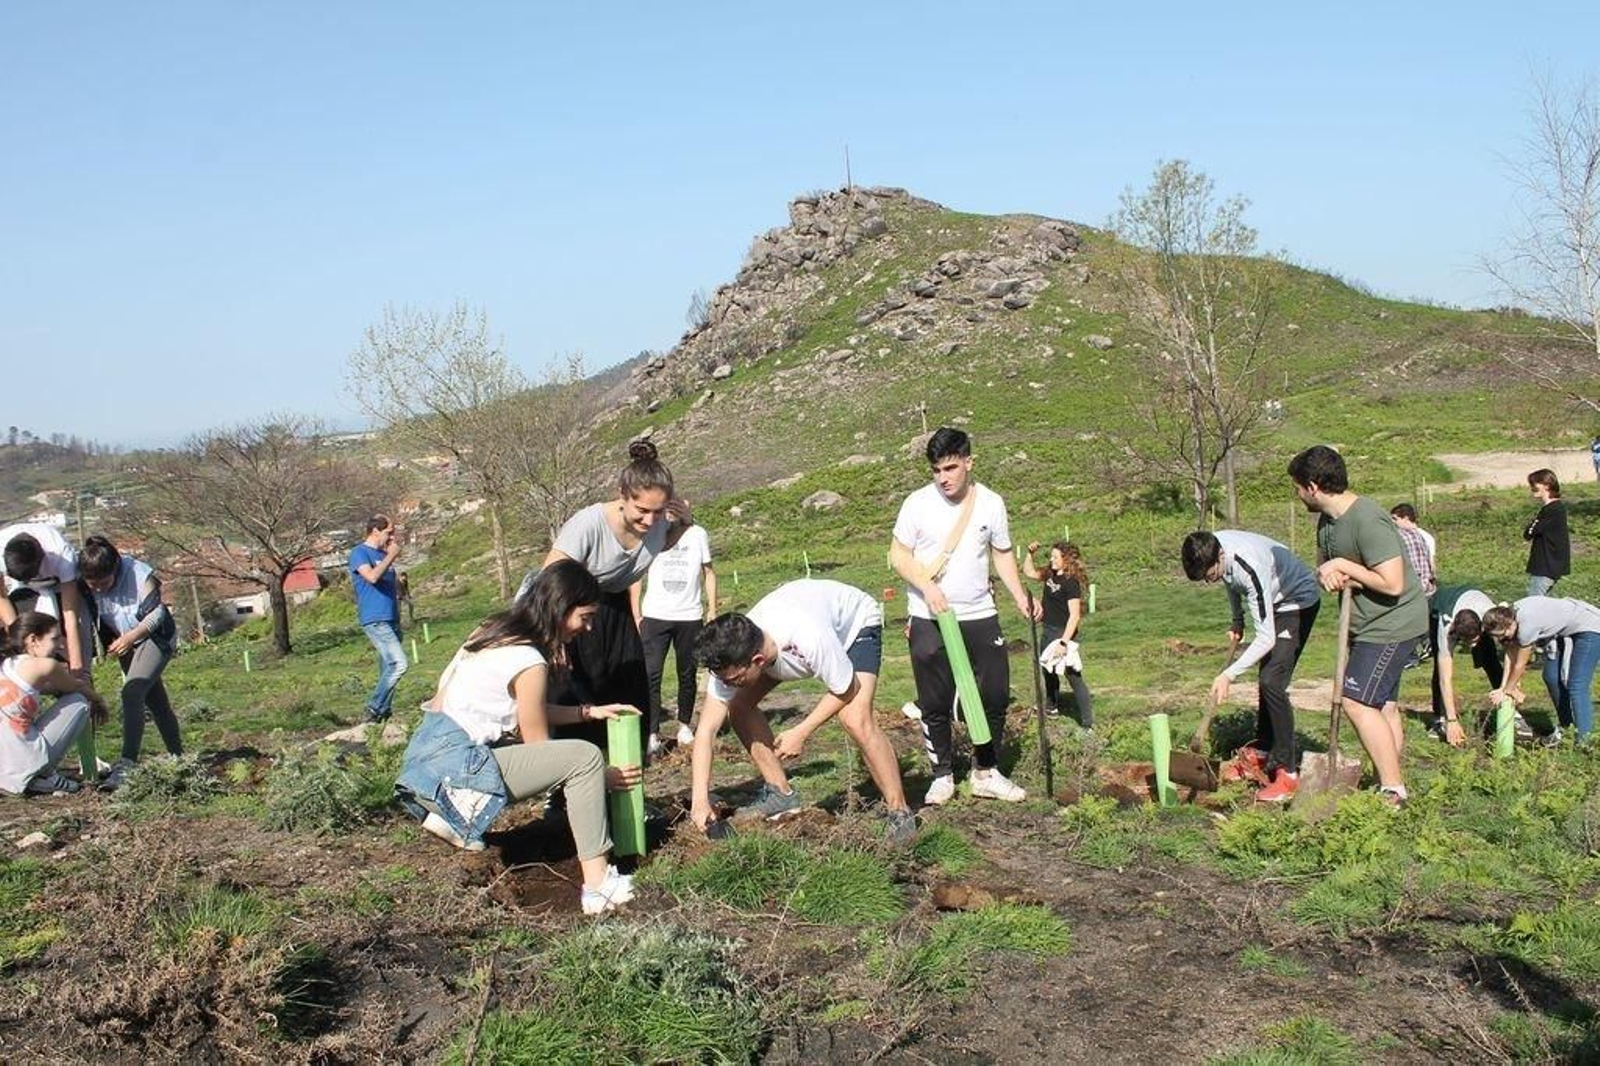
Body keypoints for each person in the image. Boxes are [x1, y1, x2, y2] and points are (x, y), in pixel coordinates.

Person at [395, 560, 642, 914]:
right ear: (560, 608)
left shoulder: (493, 633)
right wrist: (601, 779)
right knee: (584, 757)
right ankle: (599, 886)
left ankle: (449, 815)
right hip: (456, 766)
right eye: (585, 617)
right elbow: (540, 748)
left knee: (556, 755)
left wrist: (589, 712)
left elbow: (525, 710)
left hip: (425, 764)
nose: (588, 628)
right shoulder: (529, 660)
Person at [691, 579, 916, 844]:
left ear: (757, 662)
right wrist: (699, 800)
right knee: (737, 706)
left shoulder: (808, 635)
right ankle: (780, 793)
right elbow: (706, 731)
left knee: (855, 719)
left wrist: (801, 731)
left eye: (735, 680)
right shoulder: (732, 659)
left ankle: (900, 812)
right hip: (791, 641)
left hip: (853, 626)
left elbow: (847, 688)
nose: (728, 686)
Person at [889, 427, 1038, 805]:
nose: (944, 478)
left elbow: (1001, 553)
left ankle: (986, 771)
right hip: (928, 614)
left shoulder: (991, 503)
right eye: (937, 470)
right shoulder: (916, 504)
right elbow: (898, 556)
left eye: (951, 468)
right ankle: (942, 775)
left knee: (995, 693)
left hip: (979, 612)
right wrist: (927, 585)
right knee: (933, 698)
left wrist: (1019, 594)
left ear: (969, 462)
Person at [529, 440, 689, 764]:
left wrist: (684, 522)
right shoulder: (588, 524)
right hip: (573, 611)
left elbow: (663, 540)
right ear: (622, 495)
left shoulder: (661, 525)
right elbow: (550, 581)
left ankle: (628, 787)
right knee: (579, 695)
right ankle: (565, 787)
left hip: (617, 613)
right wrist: (553, 639)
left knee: (630, 695)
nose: (649, 520)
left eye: (658, 511)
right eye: (641, 510)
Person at [1289, 445, 1428, 807]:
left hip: (1393, 624)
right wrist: (1330, 575)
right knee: (1382, 705)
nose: (1297, 494)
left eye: (1298, 487)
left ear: (1314, 486)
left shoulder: (1368, 519)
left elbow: (1393, 583)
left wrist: (1344, 567)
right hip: (1366, 623)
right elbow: (1327, 567)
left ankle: (1393, 790)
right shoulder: (1328, 521)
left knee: (1356, 702)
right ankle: (1390, 777)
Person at [1180, 529, 1320, 802]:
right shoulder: (1211, 546)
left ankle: (1287, 773)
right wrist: (1237, 620)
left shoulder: (1248, 564)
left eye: (1210, 575)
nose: (1211, 581)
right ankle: (1264, 751)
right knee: (1267, 679)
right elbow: (1230, 581)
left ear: (1220, 555)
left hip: (1296, 600)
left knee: (1272, 681)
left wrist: (1228, 675)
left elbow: (1266, 638)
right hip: (1272, 598)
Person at [77, 536, 181, 789]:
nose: (99, 589)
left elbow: (157, 613)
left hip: (154, 637)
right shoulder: (83, 583)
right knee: (156, 702)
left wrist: (133, 636)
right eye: (93, 585)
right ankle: (178, 757)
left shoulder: (138, 574)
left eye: (104, 582)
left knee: (132, 691)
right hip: (125, 643)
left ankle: (127, 762)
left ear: (115, 568)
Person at [0, 612, 107, 796]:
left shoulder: (8, 664)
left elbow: (47, 689)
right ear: (33, 639)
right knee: (79, 702)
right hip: (23, 756)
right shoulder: (45, 665)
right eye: (55, 638)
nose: (60, 644)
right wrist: (99, 700)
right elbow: (74, 686)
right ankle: (41, 775)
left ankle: (29, 775)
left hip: (5, 757)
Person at [637, 511, 716, 752]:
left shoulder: (698, 534)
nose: (671, 513)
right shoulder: (652, 532)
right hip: (654, 615)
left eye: (677, 508)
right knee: (651, 675)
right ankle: (651, 733)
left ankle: (684, 725)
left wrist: (711, 608)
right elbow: (636, 575)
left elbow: (709, 572)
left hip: (689, 615)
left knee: (687, 673)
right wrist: (636, 613)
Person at [1483, 596, 1600, 745]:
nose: (1501, 639)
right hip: (1562, 631)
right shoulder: (1509, 614)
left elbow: (1520, 665)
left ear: (1510, 624)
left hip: (1591, 628)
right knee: (1551, 676)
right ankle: (1566, 728)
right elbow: (1510, 654)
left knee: (1577, 686)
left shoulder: (1526, 626)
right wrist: (1503, 688)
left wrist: (1509, 690)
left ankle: (1584, 740)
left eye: (1502, 635)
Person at [0, 522, 91, 681]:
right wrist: (20, 635)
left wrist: (77, 666)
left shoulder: (61, 553)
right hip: (23, 591)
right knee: (33, 641)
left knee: (80, 649)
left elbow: (71, 618)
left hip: (59, 586)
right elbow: (1, 598)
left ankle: (86, 691)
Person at [1022, 540, 1093, 729]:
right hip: (1048, 631)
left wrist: (1064, 643)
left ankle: (1087, 725)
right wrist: (1030, 554)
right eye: (1051, 556)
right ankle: (1051, 706)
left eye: (1055, 557)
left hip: (1063, 635)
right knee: (1048, 670)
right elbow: (1029, 572)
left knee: (1073, 677)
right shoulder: (1050, 574)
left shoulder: (1071, 583)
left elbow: (1075, 616)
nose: (1051, 560)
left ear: (1066, 559)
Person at [1427, 585, 1505, 748]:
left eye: (1476, 640)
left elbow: (1512, 649)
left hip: (1473, 597)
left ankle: (1510, 710)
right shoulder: (1446, 625)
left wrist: (1512, 686)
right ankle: (1439, 718)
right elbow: (1445, 678)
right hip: (1439, 604)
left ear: (1482, 628)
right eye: (1468, 642)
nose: (1472, 646)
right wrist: (1452, 719)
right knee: (1439, 669)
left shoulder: (1489, 616)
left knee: (1490, 660)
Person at [349, 515, 408, 723]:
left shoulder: (382, 555)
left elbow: (393, 588)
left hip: (391, 617)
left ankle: (383, 711)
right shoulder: (359, 553)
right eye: (388, 532)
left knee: (387, 667)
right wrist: (391, 556)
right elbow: (372, 577)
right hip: (375, 619)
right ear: (375, 531)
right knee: (399, 664)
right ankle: (373, 708)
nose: (392, 537)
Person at [1523, 470, 1570, 597]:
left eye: (1535, 484)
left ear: (1547, 485)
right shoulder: (1553, 509)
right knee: (1544, 604)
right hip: (1548, 566)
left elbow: (1529, 533)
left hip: (1546, 567)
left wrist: (1533, 524)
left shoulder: (1552, 510)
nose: (1532, 487)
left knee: (1534, 604)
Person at [1389, 504, 1437, 598]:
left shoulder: (1405, 536)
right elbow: (1432, 565)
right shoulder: (1426, 536)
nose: (1393, 522)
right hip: (1427, 587)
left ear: (1406, 518)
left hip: (1416, 588)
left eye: (1395, 519)